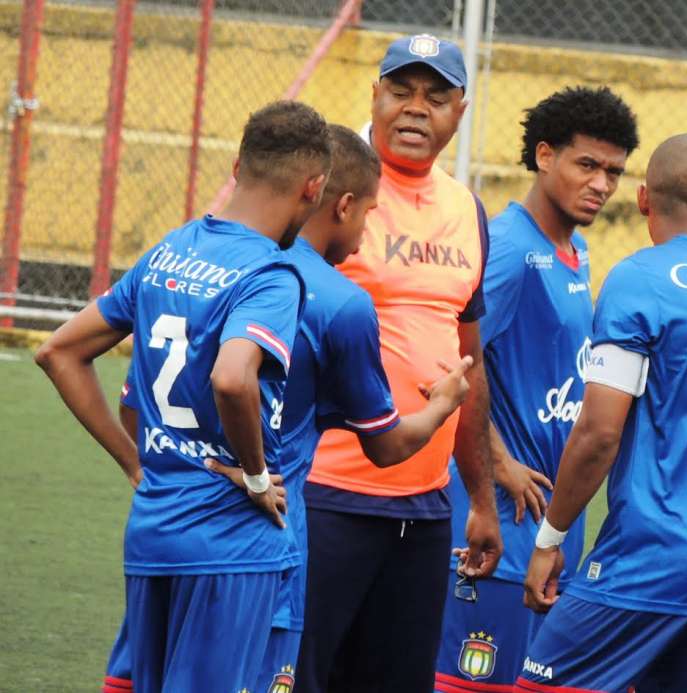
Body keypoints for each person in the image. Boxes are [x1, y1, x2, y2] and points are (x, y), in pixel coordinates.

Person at [38, 100, 331, 693]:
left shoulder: (171, 249)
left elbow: (58, 352)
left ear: (236, 166)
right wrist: (253, 477)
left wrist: (134, 462)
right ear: (314, 188)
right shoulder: (271, 277)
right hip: (228, 541)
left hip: (153, 530)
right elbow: (232, 378)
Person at [516, 134, 687, 693]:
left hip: (651, 555)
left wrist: (550, 538)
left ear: (644, 200)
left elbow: (599, 433)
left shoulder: (639, 278)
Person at [297, 35, 502, 693]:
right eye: (401, 91)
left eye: (435, 96)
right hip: (325, 493)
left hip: (425, 506)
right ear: (375, 96)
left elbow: (468, 360)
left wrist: (482, 499)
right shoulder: (329, 191)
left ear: (460, 110)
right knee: (298, 677)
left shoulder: (466, 208)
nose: (416, 109)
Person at [434, 86, 639, 691]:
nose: (602, 184)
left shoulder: (577, 250)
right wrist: (501, 463)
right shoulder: (509, 250)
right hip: (499, 525)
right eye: (588, 165)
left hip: (550, 526)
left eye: (614, 172)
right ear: (544, 155)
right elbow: (451, 360)